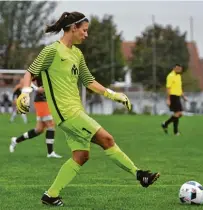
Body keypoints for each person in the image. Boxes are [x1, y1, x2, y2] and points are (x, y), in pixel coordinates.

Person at [16, 11, 160, 207]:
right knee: (107, 139)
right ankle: (139, 174)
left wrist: (114, 95)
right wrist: (25, 93)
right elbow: (29, 73)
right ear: (73, 28)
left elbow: (89, 81)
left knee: (81, 156)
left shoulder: (76, 54)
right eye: (84, 30)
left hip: (76, 111)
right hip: (67, 113)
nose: (86, 34)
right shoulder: (52, 51)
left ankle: (51, 195)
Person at [10, 76, 62, 158]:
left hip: (48, 100)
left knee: (39, 129)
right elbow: (26, 79)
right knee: (51, 124)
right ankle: (50, 152)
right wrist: (36, 88)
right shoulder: (41, 68)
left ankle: (15, 140)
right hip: (42, 101)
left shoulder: (54, 70)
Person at [161, 64, 187, 135]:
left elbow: (179, 88)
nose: (180, 70)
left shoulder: (178, 76)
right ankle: (175, 132)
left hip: (178, 96)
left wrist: (183, 96)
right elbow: (168, 88)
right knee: (177, 113)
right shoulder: (170, 76)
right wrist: (168, 99)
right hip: (173, 96)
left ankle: (165, 124)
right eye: (178, 69)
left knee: (179, 114)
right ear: (175, 68)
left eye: (180, 69)